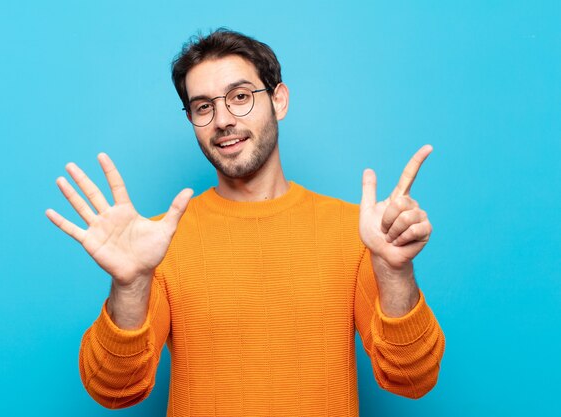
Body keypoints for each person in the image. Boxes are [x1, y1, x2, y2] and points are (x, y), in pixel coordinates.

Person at [46, 29, 445, 416]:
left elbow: (412, 379)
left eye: (240, 97)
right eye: (204, 106)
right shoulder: (157, 243)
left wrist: (395, 274)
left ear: (280, 100)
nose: (222, 119)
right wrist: (130, 286)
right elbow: (113, 390)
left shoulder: (354, 233)